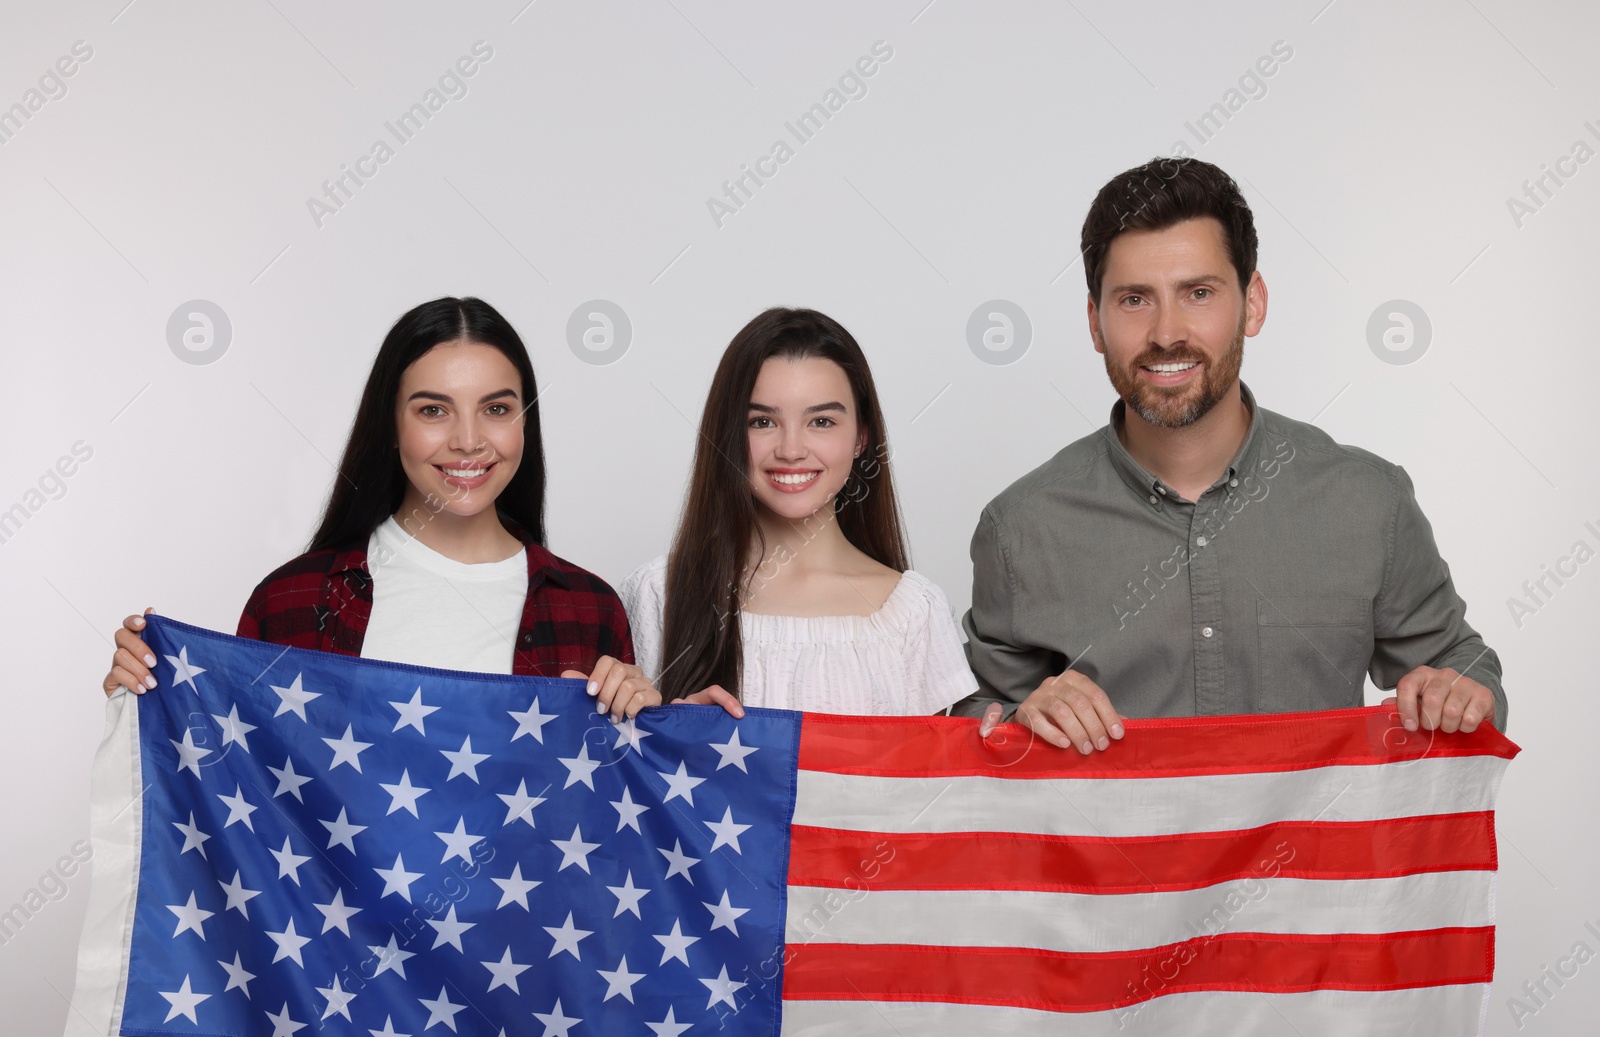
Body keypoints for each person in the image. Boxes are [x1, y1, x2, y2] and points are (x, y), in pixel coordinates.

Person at [959, 158, 1506, 752]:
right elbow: (973, 720)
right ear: (1095, 323)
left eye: (1198, 293)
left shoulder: (1370, 500)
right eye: (1135, 299)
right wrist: (1013, 717)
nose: (1167, 332)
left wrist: (1459, 692)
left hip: (1315, 848)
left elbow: (1460, 662)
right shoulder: (1020, 528)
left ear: (1253, 304)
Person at [102, 296, 657, 719]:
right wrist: (145, 702)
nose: (468, 440)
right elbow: (240, 782)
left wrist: (647, 719)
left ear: (525, 423)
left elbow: (613, 828)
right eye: (433, 410)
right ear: (390, 427)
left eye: (495, 408)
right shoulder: (290, 601)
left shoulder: (591, 610)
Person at [623, 306, 976, 717]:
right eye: (761, 422)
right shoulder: (656, 594)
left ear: (861, 438)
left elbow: (934, 777)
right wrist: (674, 728)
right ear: (729, 434)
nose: (791, 450)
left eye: (822, 421)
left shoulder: (915, 614)